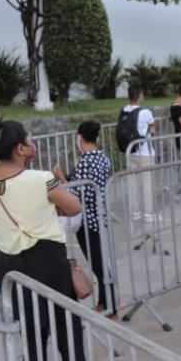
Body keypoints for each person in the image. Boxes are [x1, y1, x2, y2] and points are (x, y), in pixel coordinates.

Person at [0, 120, 112, 361]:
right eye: (30, 141)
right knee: (69, 345)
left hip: (10, 270)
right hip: (48, 267)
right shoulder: (41, 179)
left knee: (34, 346)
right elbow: (74, 205)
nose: (34, 144)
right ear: (21, 149)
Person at [53, 121, 117, 319]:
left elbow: (75, 192)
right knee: (99, 262)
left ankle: (110, 306)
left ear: (80, 139)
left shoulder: (85, 162)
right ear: (97, 138)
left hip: (87, 220)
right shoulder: (103, 159)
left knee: (97, 264)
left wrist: (61, 177)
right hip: (99, 215)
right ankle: (105, 302)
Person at [122, 79, 157, 226]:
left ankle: (134, 212)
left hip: (131, 151)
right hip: (145, 151)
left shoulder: (124, 110)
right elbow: (153, 129)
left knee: (133, 183)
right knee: (147, 184)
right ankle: (148, 213)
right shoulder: (145, 112)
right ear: (140, 96)